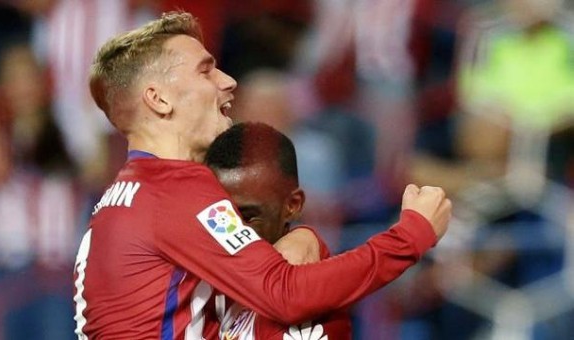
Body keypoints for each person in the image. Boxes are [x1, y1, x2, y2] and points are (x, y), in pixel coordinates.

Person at [74, 11, 451, 339]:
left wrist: (302, 236)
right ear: (159, 99)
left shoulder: (125, 198)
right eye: (205, 70)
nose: (227, 80)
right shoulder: (172, 192)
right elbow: (285, 295)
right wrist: (410, 236)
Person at [204, 122, 352, 339]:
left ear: (292, 205)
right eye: (220, 218)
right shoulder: (195, 275)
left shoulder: (307, 300)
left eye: (247, 217)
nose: (231, 233)